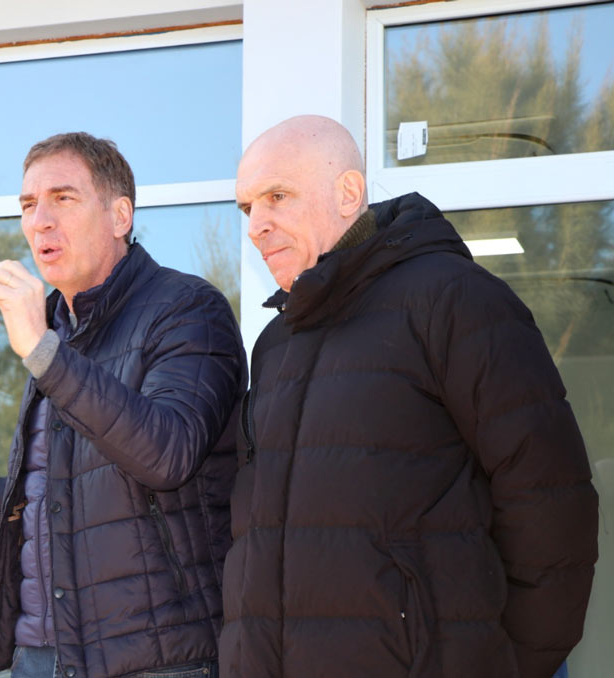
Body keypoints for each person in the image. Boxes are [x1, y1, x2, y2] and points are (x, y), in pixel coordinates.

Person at [219, 115, 599, 677]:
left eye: (277, 196)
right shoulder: (276, 343)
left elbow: (550, 502)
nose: (256, 226)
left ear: (349, 193)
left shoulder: (454, 301)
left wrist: (510, 664)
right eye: (247, 207)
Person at [0, 132, 246, 678]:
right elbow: (53, 483)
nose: (39, 221)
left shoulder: (187, 309)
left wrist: (42, 352)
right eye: (28, 205)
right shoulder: (57, 329)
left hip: (156, 657)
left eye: (63, 198)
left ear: (120, 216)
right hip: (41, 655)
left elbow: (168, 455)